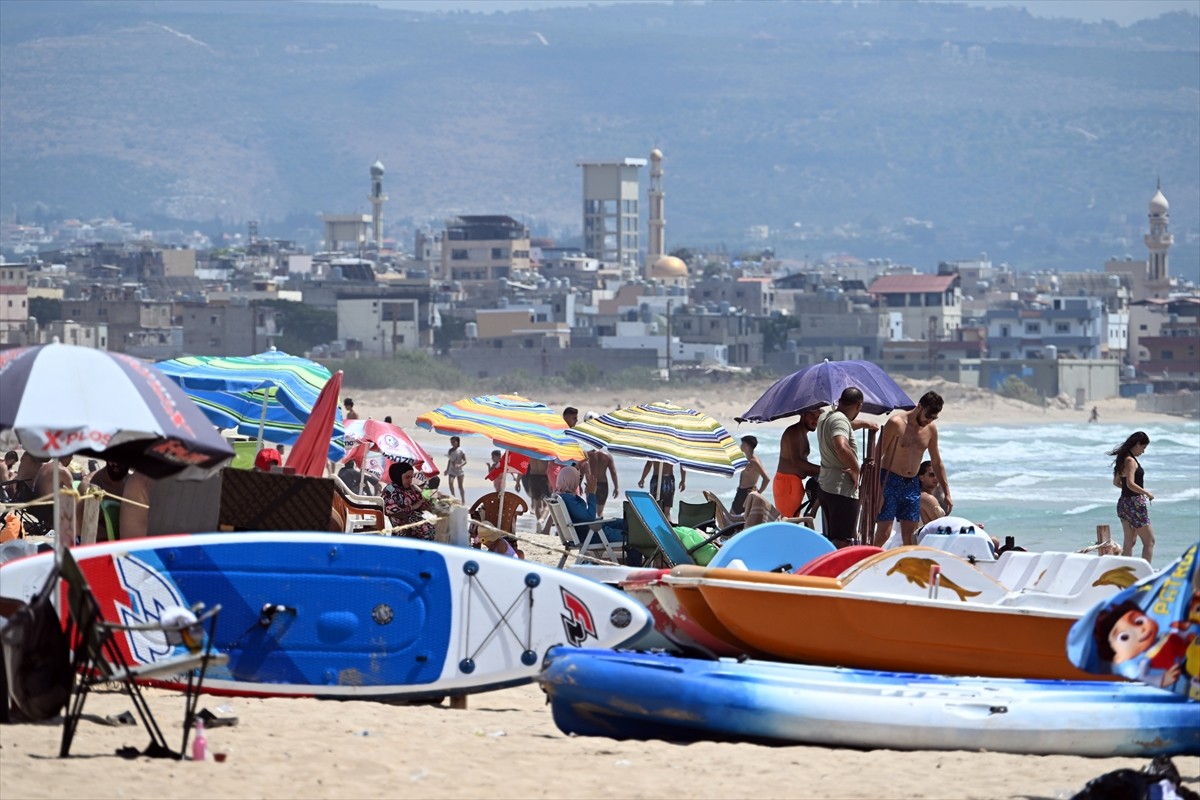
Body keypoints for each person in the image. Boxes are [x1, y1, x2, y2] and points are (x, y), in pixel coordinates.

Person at [873, 391, 951, 547]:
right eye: (928, 416)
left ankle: (909, 568)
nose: (929, 421)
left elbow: (937, 462)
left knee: (910, 536)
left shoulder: (930, 429)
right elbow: (875, 458)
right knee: (884, 533)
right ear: (920, 407)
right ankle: (863, 561)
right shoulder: (896, 423)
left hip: (911, 485)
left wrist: (947, 492)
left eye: (934, 418)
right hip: (889, 480)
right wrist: (877, 490)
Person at [816, 387, 867, 547]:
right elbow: (842, 446)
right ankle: (839, 572)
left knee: (834, 536)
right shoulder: (840, 420)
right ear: (859, 405)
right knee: (842, 540)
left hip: (826, 486)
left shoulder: (826, 416)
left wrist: (866, 424)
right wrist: (856, 469)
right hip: (841, 490)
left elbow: (843, 426)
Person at [1109, 431, 1154, 563]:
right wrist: (1146, 493)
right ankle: (1146, 575)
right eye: (1143, 448)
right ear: (1138, 444)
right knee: (1149, 541)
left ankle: (1124, 573)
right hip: (1135, 503)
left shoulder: (1122, 459)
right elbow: (1130, 483)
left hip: (1124, 503)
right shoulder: (1130, 461)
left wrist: (1129, 491)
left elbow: (1117, 483)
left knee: (1129, 543)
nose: (1143, 452)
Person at [554, 465, 626, 548]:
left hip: (586, 531)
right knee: (633, 538)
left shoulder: (561, 496)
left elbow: (585, 517)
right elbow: (590, 518)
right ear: (571, 479)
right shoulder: (568, 499)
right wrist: (592, 494)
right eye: (579, 477)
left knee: (621, 522)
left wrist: (589, 496)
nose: (579, 480)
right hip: (591, 534)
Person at [774, 408, 823, 517]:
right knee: (788, 522)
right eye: (812, 415)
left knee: (794, 520)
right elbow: (797, 463)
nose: (815, 420)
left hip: (794, 482)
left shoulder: (802, 433)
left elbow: (802, 466)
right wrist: (825, 470)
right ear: (802, 414)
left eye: (818, 417)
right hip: (786, 483)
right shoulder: (794, 432)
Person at [381, 462, 435, 540]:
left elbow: (419, 503)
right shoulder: (390, 490)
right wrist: (413, 507)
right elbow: (389, 510)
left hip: (416, 520)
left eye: (411, 477)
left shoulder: (411, 488)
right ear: (398, 476)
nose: (410, 480)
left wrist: (424, 506)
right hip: (402, 523)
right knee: (430, 532)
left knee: (437, 529)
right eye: (407, 477)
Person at [80, 460, 129, 541]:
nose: (116, 464)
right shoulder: (92, 484)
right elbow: (81, 524)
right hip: (100, 541)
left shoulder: (133, 484)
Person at [733, 435, 770, 515]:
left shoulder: (754, 462)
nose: (740, 446)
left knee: (733, 519)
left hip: (746, 493)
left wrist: (759, 492)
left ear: (746, 445)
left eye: (742, 444)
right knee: (735, 519)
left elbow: (766, 479)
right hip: (741, 492)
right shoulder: (747, 460)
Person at [586, 446, 618, 516]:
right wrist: (616, 487)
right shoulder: (607, 456)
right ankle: (601, 526)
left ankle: (591, 526)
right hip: (603, 484)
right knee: (600, 512)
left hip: (591, 483)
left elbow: (582, 470)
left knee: (591, 509)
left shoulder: (587, 455)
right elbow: (613, 472)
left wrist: (579, 483)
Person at [918, 460, 945, 525]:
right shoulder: (927, 498)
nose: (936, 478)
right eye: (932, 475)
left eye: (938, 474)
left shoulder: (915, 495)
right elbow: (942, 526)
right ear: (921, 478)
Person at [444, 436, 467, 503]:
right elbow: (450, 460)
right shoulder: (450, 450)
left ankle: (463, 500)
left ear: (457, 442)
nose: (452, 443)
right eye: (451, 442)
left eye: (454, 442)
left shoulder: (461, 451)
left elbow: (465, 461)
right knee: (450, 483)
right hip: (451, 470)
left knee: (460, 486)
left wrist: (460, 465)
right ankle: (453, 497)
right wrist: (447, 469)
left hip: (459, 471)